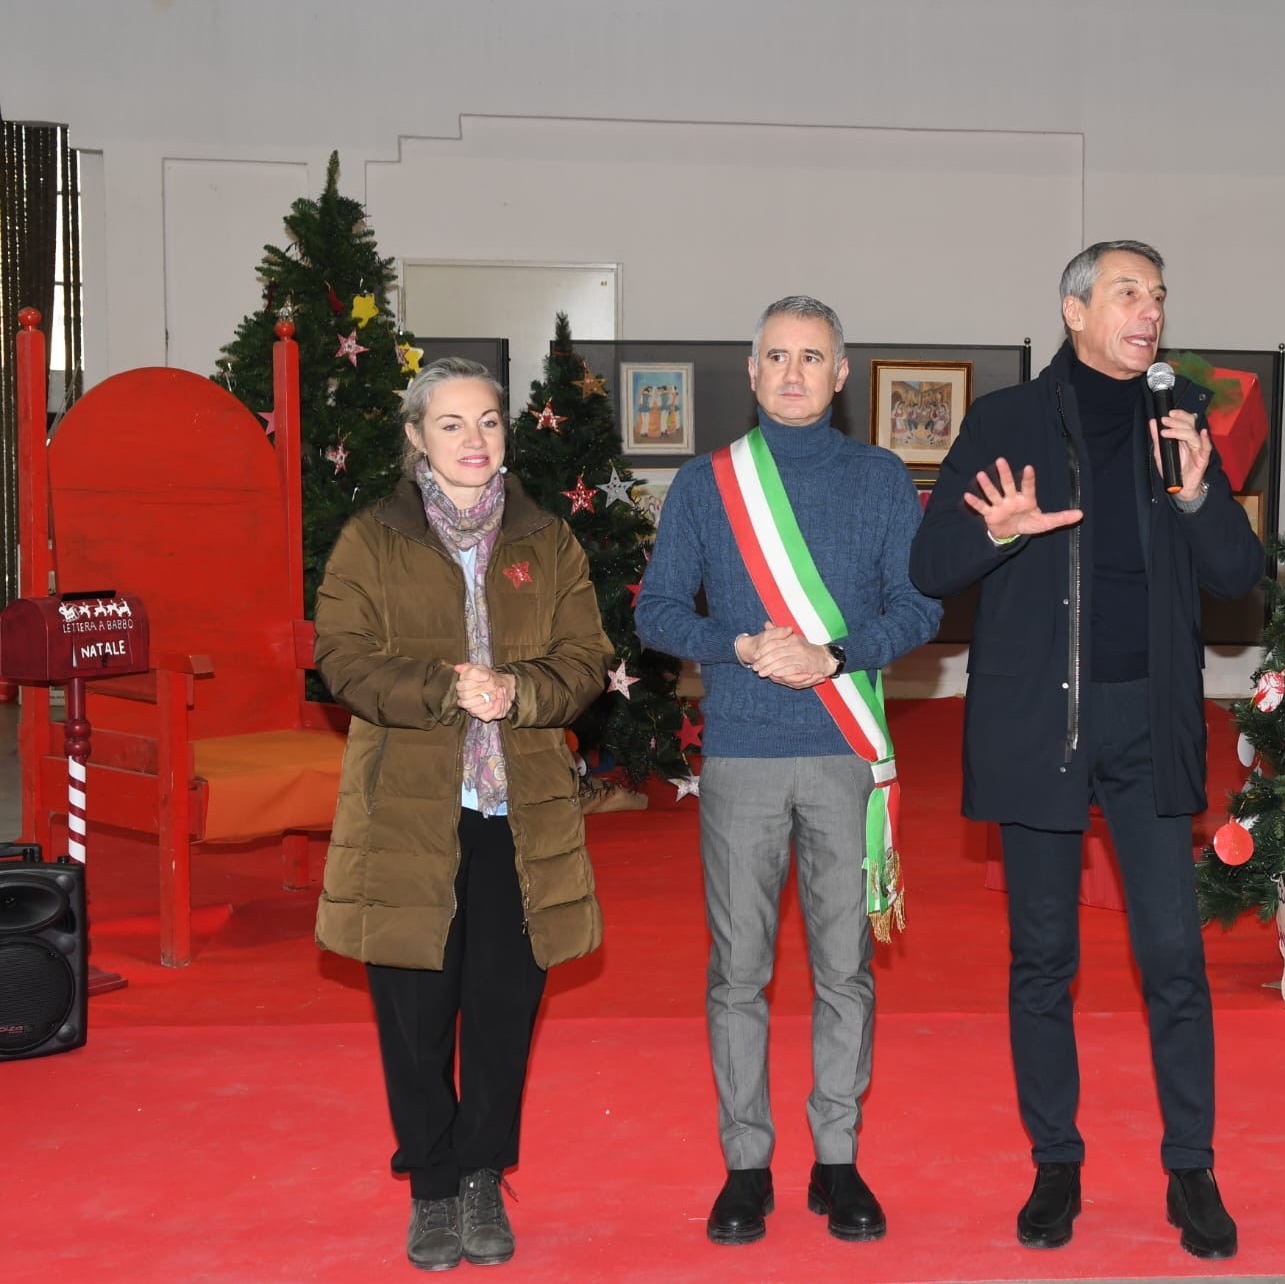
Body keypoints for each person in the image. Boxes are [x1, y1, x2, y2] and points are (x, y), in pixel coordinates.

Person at [908, 241, 1264, 1260]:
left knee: (1173, 958)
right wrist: (1001, 532)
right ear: (1074, 311)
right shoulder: (1006, 420)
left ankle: (1191, 1168)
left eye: (1157, 295)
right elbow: (930, 565)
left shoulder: (1182, 416)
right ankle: (1054, 1162)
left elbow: (1239, 576)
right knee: (1042, 957)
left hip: (1150, 721)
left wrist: (1197, 496)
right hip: (1041, 721)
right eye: (1126, 292)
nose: (1148, 310)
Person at [637, 295, 941, 1247]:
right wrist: (737, 644)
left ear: (841, 374)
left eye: (813, 357)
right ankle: (746, 1163)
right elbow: (655, 611)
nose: (794, 372)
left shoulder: (881, 478)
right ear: (753, 371)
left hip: (846, 754)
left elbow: (919, 607)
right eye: (778, 356)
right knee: (739, 972)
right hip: (741, 758)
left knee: (845, 968)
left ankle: (837, 1159)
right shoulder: (706, 483)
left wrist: (834, 656)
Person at [314, 357, 610, 1272]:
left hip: (518, 811)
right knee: (414, 1010)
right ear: (416, 437)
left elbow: (586, 658)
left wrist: (518, 691)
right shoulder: (372, 539)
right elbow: (343, 659)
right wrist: (449, 688)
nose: (474, 440)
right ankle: (432, 1186)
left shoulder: (548, 540)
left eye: (487, 421)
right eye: (451, 423)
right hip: (409, 809)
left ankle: (482, 1172)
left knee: (502, 1005)